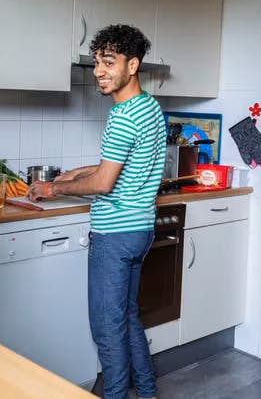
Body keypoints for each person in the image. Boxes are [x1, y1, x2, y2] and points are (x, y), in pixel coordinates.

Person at [27, 24, 166, 399]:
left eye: (109, 61)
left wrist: (54, 187)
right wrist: (77, 173)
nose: (100, 71)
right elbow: (122, 165)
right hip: (140, 231)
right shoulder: (149, 108)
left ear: (132, 65)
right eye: (96, 63)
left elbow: (105, 183)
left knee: (107, 329)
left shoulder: (122, 116)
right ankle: (148, 392)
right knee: (128, 317)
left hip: (115, 235)